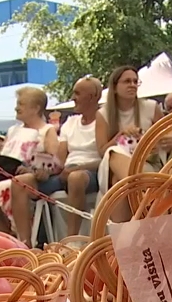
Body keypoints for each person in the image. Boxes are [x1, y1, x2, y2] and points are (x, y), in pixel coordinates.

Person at [10, 77, 104, 242]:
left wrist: (76, 168)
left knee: (76, 178)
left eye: (77, 93)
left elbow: (105, 156)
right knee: (20, 182)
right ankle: (24, 243)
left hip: (93, 172)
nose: (73, 97)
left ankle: (71, 241)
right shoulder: (70, 122)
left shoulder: (104, 119)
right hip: (66, 173)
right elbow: (59, 160)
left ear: (92, 96)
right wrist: (44, 171)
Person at [0, 87, 58, 235]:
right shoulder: (13, 130)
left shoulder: (47, 130)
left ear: (35, 108)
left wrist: (31, 169)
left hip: (30, 177)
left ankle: (23, 239)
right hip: (6, 173)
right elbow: (4, 154)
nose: (16, 107)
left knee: (12, 186)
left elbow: (52, 159)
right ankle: (6, 234)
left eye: (21, 104)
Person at [96, 66, 163, 222]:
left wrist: (149, 141)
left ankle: (123, 241)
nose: (132, 85)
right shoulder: (103, 114)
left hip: (148, 163)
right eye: (127, 81)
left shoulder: (151, 107)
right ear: (114, 87)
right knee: (113, 151)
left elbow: (164, 140)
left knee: (118, 184)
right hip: (116, 166)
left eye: (135, 81)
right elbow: (102, 151)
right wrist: (121, 135)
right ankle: (145, 197)